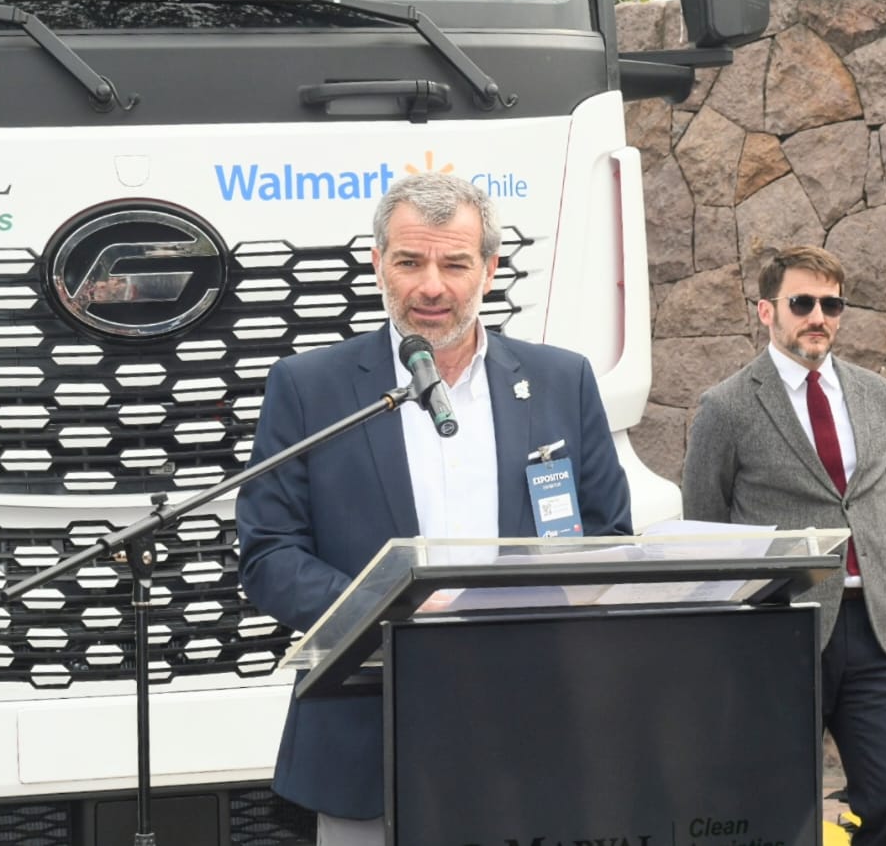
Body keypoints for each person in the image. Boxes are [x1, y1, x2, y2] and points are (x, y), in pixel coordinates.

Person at [235, 171, 632, 845]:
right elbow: (270, 555)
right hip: (369, 726)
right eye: (410, 261)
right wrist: (395, 606)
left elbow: (609, 535)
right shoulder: (311, 389)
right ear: (377, 263)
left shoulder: (563, 382)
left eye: (455, 263)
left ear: (490, 269)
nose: (431, 286)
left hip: (533, 725)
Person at [681, 245, 886, 845]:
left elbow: (879, 506)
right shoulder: (726, 406)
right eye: (802, 303)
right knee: (776, 803)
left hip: (876, 627)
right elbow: (706, 526)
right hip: (780, 628)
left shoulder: (873, 393)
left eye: (831, 303)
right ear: (767, 311)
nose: (819, 316)